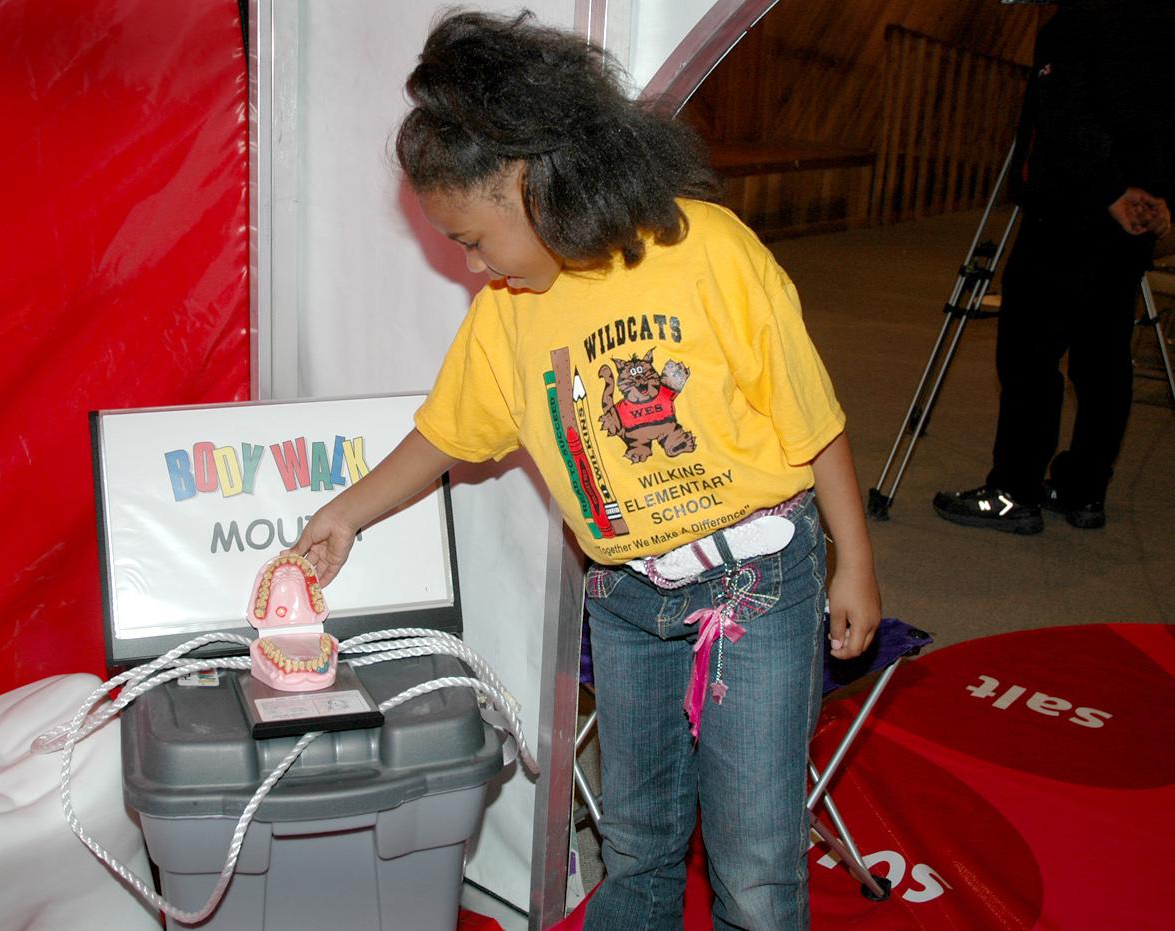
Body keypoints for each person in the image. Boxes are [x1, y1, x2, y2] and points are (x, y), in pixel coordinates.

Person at [289, 11, 881, 929]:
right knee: (638, 845)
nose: (477, 265)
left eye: (475, 239)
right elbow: (446, 436)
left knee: (757, 863)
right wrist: (347, 512)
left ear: (532, 183)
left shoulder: (708, 250)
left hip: (759, 585)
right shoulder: (506, 315)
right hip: (630, 596)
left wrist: (854, 558)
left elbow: (814, 416)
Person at [934, 0, 1174, 534]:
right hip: (1135, 220)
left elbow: (1063, 113)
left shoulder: (1077, 21)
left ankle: (1013, 491)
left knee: (1029, 356)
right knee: (1104, 356)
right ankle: (1083, 489)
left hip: (1071, 212)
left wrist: (1112, 192)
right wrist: (1159, 199)